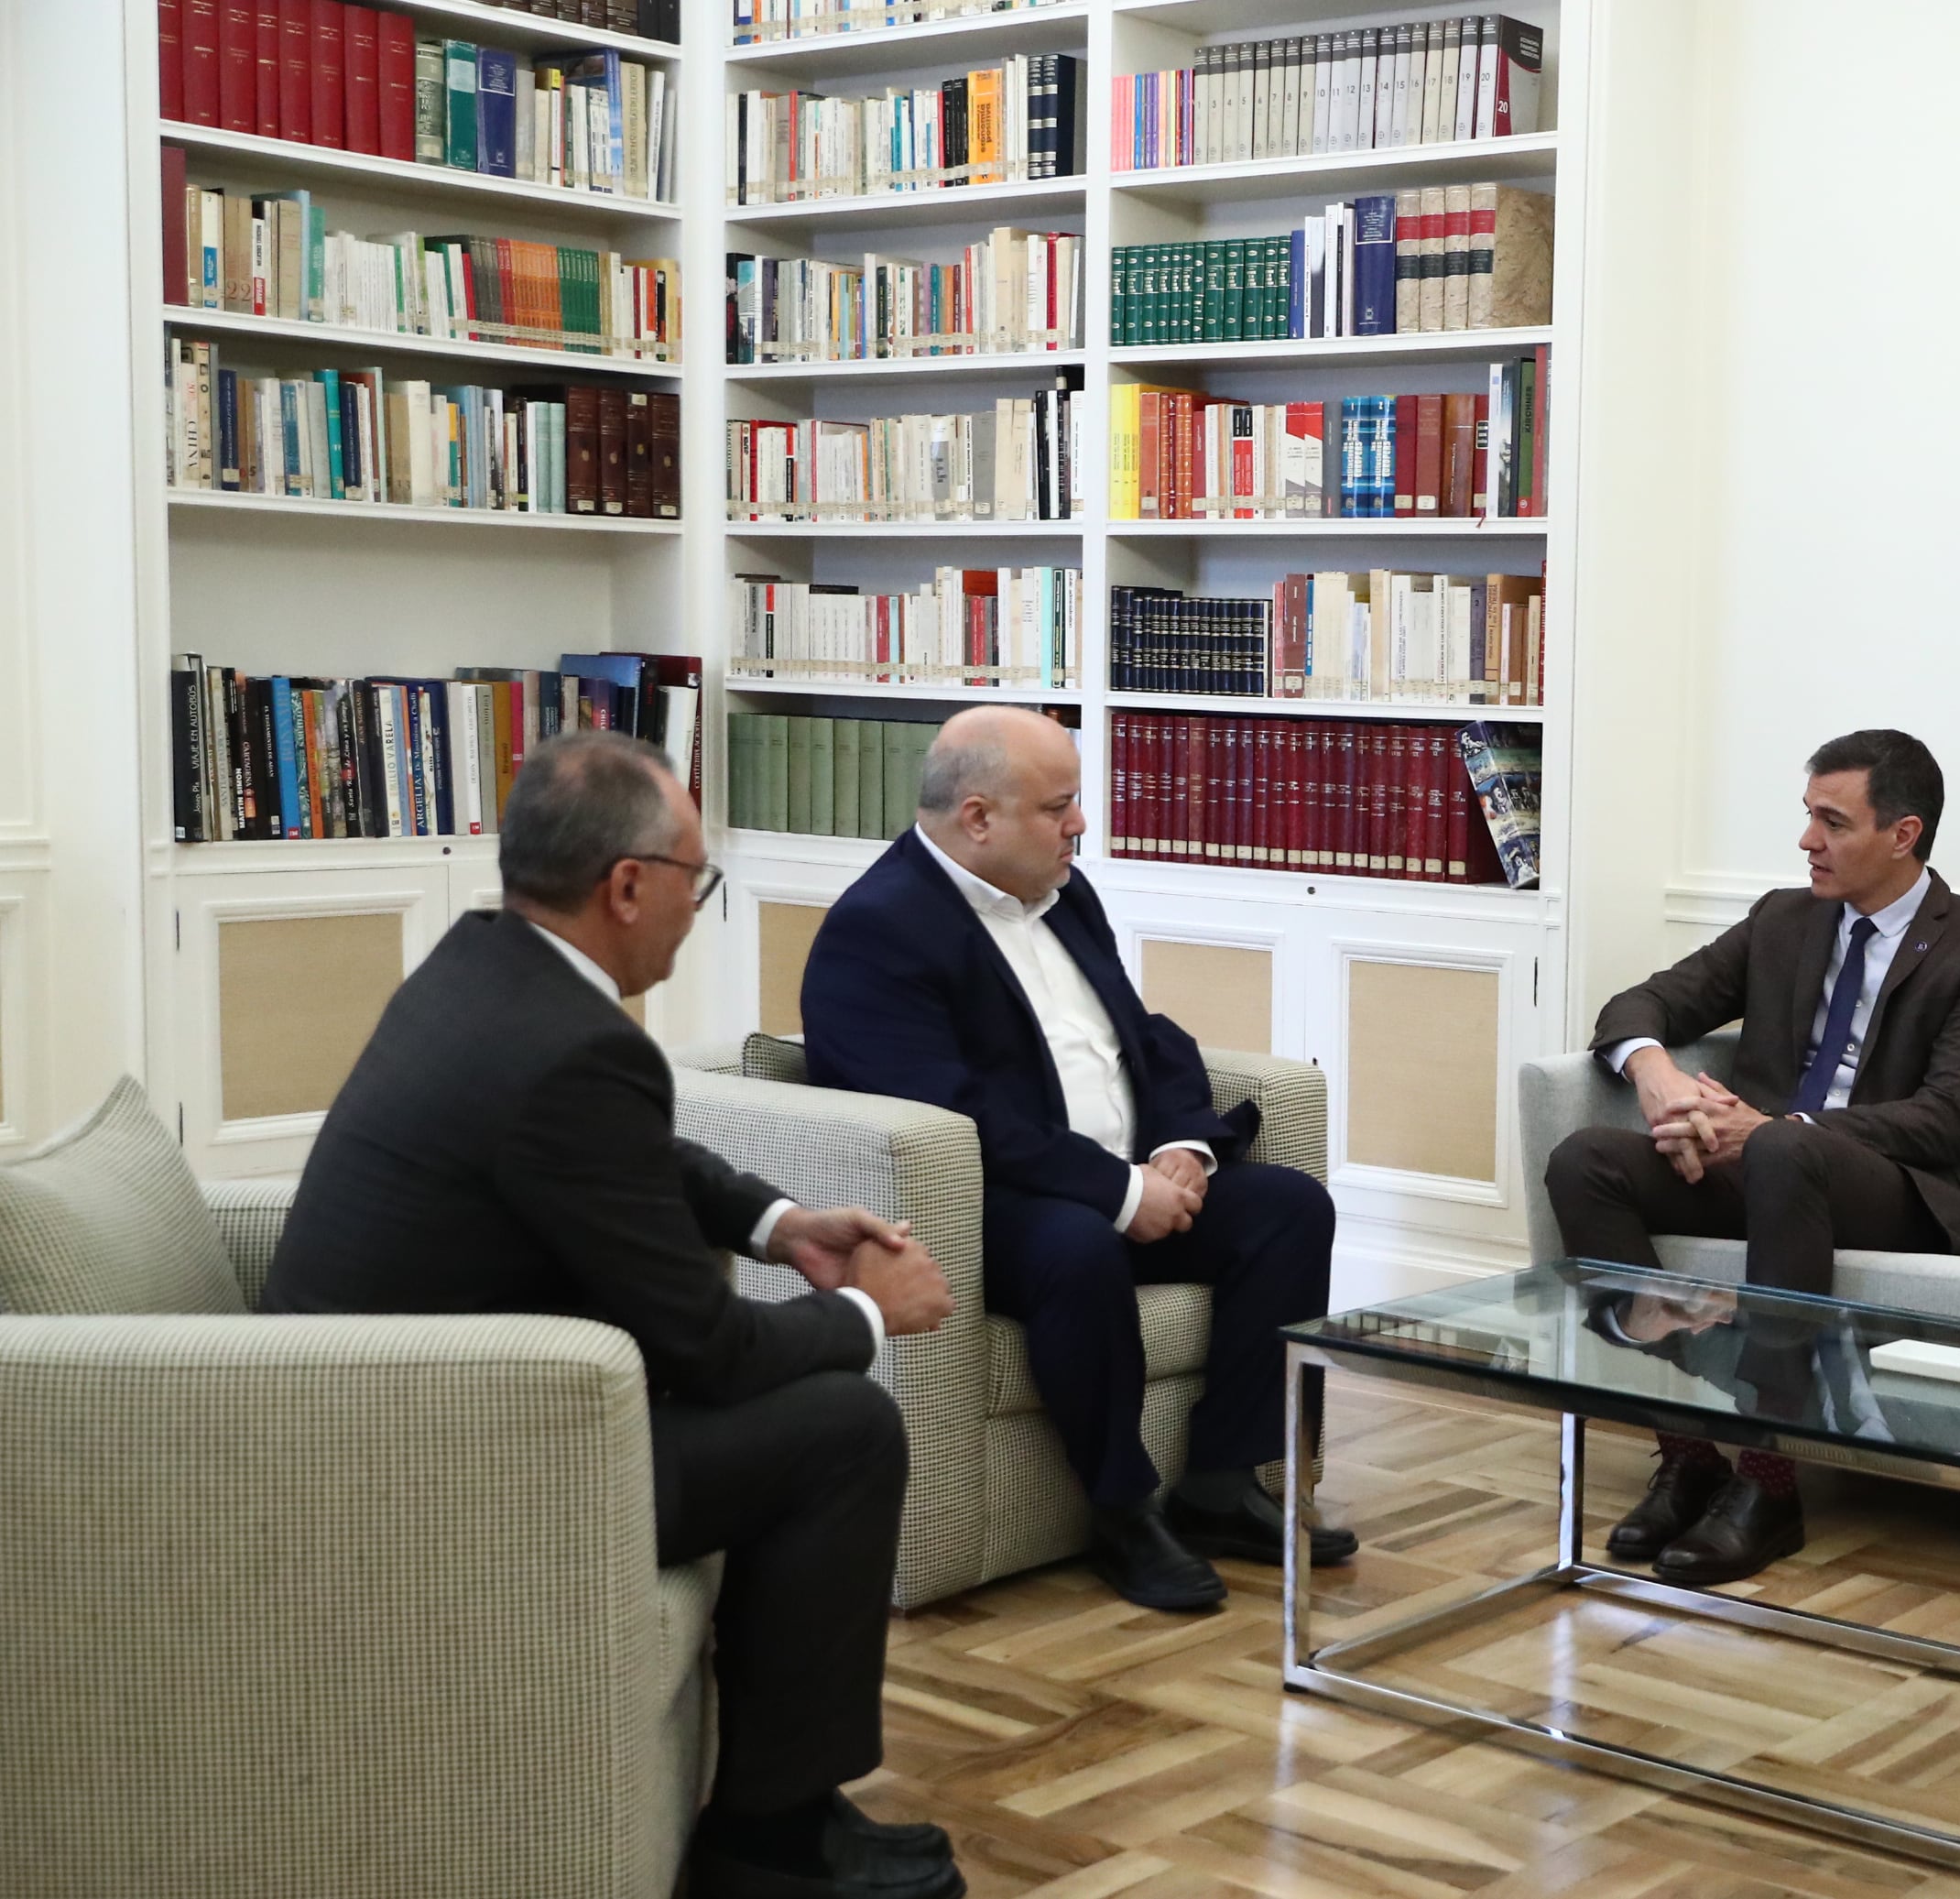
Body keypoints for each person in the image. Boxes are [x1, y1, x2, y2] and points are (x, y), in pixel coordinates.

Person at [262, 731, 964, 1899]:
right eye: (697, 879)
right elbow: (718, 1351)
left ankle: (787, 1804)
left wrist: (780, 1225)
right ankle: (771, 1841)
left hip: (381, 1409)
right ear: (628, 885)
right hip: (439, 1463)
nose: (698, 910)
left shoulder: (487, 965)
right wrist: (869, 1316)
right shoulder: (570, 1047)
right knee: (842, 1431)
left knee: (815, 1417)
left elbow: (634, 1155)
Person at [800, 706, 1355, 1615]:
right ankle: (1121, 1509)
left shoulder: (1066, 894)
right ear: (977, 818)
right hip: (995, 1209)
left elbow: (1138, 1036)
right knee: (1076, 1245)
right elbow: (954, 1114)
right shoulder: (878, 929)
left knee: (1288, 1209)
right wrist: (1117, 1191)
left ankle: (1220, 1480)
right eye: (1059, 806)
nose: (1081, 826)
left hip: (1120, 1177)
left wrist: (1181, 1147)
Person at [1543, 729, 1960, 1584]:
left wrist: (1776, 1127)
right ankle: (1687, 1451)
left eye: (1831, 821)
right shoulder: (1784, 918)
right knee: (1586, 1158)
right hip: (1770, 1166)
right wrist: (1656, 1075)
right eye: (1807, 816)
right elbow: (1642, 1001)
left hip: (1902, 1191)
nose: (1807, 839)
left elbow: (1950, 1118)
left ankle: (1769, 1484)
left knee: (1781, 1151)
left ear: (1903, 834)